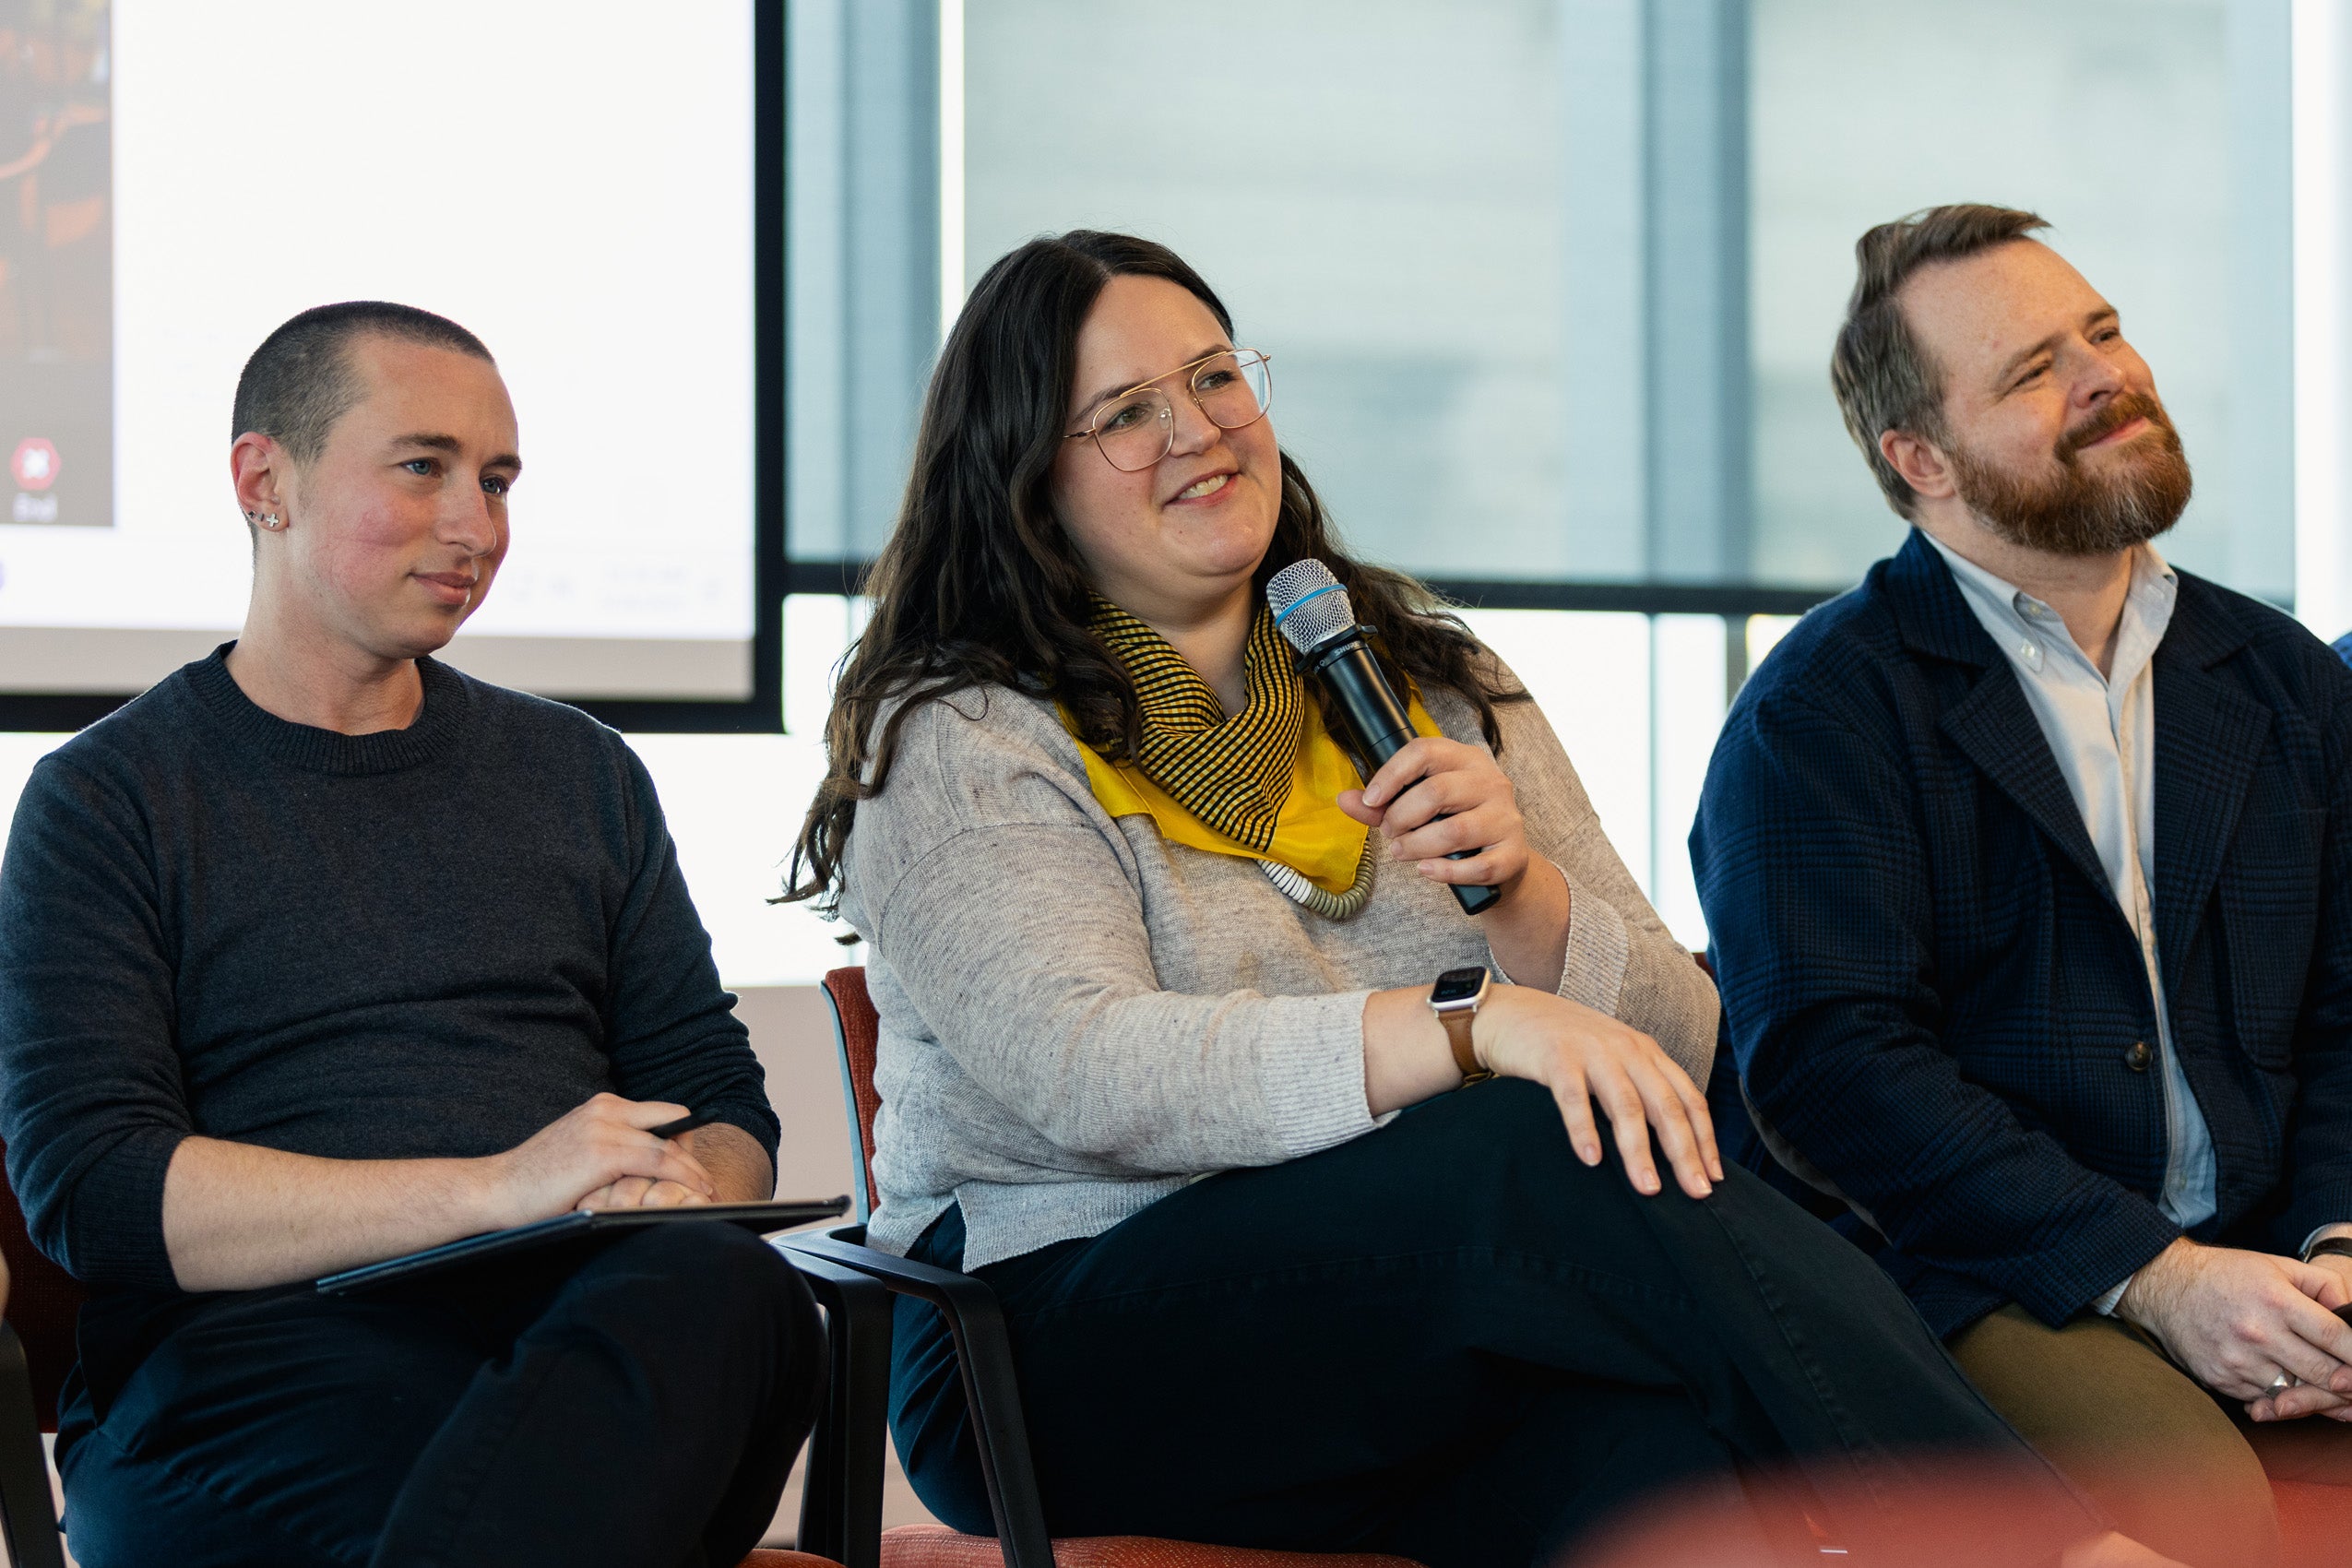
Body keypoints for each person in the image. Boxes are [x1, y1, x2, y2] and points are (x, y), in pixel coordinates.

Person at [786, 230, 2173, 1568]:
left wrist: (1525, 901)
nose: (1200, 430)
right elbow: (1085, 1069)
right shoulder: (965, 734)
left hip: (1416, 1326)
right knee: (1527, 1131)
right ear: (1025, 476)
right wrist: (1468, 1024)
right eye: (1128, 413)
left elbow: (1677, 1056)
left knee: (1659, 1471)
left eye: (1215, 378)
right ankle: (2046, 1550)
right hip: (1052, 1344)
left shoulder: (1431, 684)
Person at [0, 302, 820, 1568]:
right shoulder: (107, 798)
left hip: (567, 1338)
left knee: (733, 1284)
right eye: (423, 468)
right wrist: (495, 1192)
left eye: (497, 481)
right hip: (255, 1368)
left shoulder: (581, 773)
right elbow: (96, 1192)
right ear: (264, 483)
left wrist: (683, 1184)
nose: (477, 527)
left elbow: (716, 1101)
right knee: (516, 1474)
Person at [1692, 205, 2352, 1568]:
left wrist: (2335, 1245)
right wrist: (2159, 1280)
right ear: (1919, 459)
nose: (2106, 376)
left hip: (2265, 1246)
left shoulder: (2286, 679)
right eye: (2034, 369)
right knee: (2197, 1512)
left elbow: (2349, 1013)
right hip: (1970, 1267)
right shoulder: (1821, 710)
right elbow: (1832, 1070)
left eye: (2100, 332)